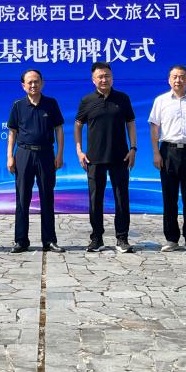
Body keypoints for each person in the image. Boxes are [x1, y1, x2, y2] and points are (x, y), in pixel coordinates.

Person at [148, 65, 186, 253]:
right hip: (168, 152)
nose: (178, 80)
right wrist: (156, 153)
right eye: (174, 77)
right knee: (169, 197)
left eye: (182, 77)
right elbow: (154, 129)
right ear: (169, 80)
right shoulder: (160, 101)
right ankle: (171, 239)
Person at [75, 62, 137, 253]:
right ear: (93, 80)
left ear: (112, 77)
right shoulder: (87, 100)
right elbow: (78, 125)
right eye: (100, 77)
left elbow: (130, 123)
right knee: (95, 200)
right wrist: (79, 150)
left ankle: (122, 238)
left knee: (121, 198)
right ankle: (97, 238)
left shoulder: (122, 98)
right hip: (94, 159)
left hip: (120, 157)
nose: (104, 79)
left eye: (107, 76)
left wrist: (133, 148)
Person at [7, 68, 65, 254]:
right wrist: (10, 156)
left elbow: (59, 130)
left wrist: (59, 154)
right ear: (23, 86)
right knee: (22, 198)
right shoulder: (18, 105)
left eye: (36, 81)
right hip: (23, 154)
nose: (33, 85)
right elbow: (12, 132)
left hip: (46, 154)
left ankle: (49, 240)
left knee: (47, 197)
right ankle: (21, 240)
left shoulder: (51, 104)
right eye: (29, 82)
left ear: (42, 83)